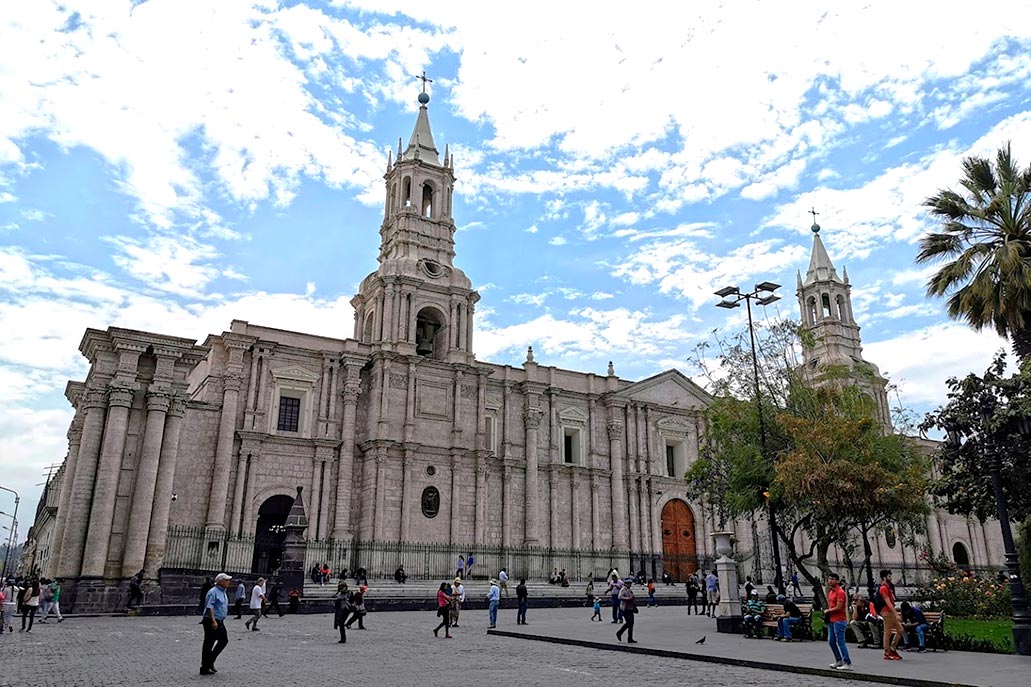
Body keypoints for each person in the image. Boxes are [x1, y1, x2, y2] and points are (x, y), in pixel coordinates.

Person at [200, 573, 232, 676]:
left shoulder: (223, 592)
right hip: (211, 620)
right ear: (220, 581)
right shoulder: (213, 592)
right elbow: (210, 607)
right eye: (226, 580)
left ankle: (210, 661)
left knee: (223, 640)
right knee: (209, 644)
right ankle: (204, 667)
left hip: (220, 620)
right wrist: (213, 621)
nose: (228, 582)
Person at [825, 573, 852, 671]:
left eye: (832, 579)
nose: (830, 581)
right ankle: (838, 660)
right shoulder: (831, 592)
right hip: (832, 620)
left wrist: (828, 611)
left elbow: (839, 607)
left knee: (841, 642)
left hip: (839, 620)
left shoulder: (840, 592)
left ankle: (847, 662)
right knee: (831, 641)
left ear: (837, 581)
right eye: (829, 579)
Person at [878, 569, 904, 661]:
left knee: (900, 630)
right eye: (889, 576)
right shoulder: (883, 588)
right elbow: (887, 601)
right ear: (884, 577)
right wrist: (895, 613)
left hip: (890, 611)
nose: (891, 578)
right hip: (887, 612)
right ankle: (888, 652)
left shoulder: (887, 587)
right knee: (888, 632)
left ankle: (892, 649)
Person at [615, 578, 638, 643]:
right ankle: (619, 633)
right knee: (629, 623)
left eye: (630, 583)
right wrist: (628, 598)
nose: (629, 584)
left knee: (631, 624)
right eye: (628, 583)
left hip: (630, 608)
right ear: (625, 584)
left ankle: (630, 638)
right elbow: (619, 597)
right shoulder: (623, 589)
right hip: (625, 608)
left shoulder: (629, 590)